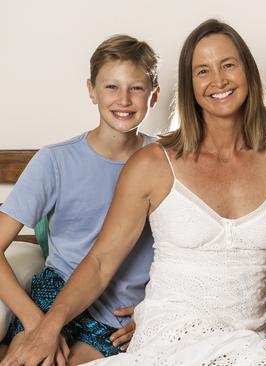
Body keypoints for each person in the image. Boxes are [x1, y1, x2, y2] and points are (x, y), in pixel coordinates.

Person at [1, 19, 266, 366]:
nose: (218, 80)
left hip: (243, 342)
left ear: (249, 74)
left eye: (228, 65)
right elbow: (99, 263)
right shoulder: (152, 164)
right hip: (166, 335)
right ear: (188, 84)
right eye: (202, 70)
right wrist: (46, 327)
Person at [0, 35, 159, 365]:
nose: (124, 100)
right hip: (54, 293)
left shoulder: (166, 161)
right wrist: (35, 323)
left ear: (153, 95)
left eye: (137, 88)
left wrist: (155, 309)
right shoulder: (55, 161)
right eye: (111, 87)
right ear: (91, 90)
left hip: (119, 312)